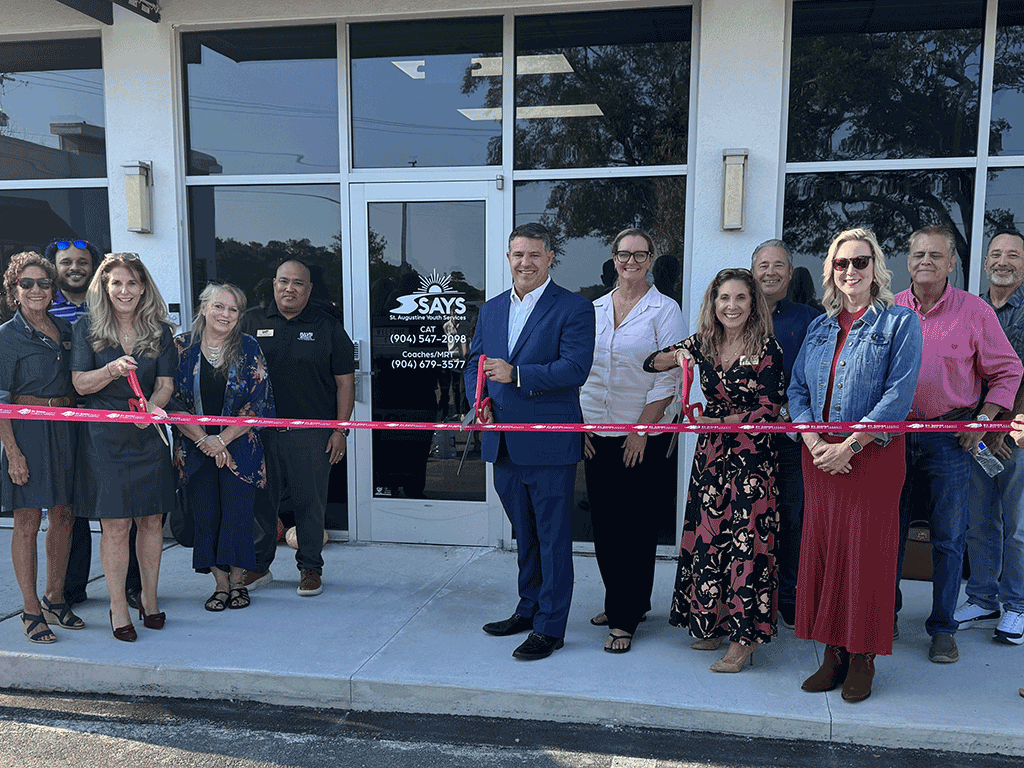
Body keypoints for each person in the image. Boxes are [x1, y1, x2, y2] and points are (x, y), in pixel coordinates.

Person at [788, 229, 921, 703]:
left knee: (867, 556)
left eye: (860, 263)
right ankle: (832, 654)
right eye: (842, 263)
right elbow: (797, 391)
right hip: (819, 458)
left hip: (873, 459)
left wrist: (850, 444)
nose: (851, 272)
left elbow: (898, 397)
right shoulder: (819, 326)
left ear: (876, 269)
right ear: (830, 270)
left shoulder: (900, 324)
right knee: (825, 552)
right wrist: (811, 438)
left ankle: (863, 657)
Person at [645, 267, 785, 674]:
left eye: (741, 298)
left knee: (746, 546)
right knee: (711, 538)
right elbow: (649, 363)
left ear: (752, 303)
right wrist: (677, 356)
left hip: (751, 458)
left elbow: (769, 408)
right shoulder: (704, 341)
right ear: (714, 302)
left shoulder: (766, 347)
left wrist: (722, 423)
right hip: (711, 455)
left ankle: (744, 640)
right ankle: (714, 622)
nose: (732, 306)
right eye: (725, 298)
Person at [894, 225, 1022, 664]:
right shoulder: (889, 310)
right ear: (907, 261)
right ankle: (885, 616)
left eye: (936, 255)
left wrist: (985, 420)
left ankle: (943, 628)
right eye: (918, 254)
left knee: (950, 537)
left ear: (952, 264)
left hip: (952, 438)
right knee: (888, 531)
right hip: (895, 437)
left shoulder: (974, 311)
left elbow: (1008, 370)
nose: (925, 261)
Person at [467, 223, 596, 661]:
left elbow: (575, 368)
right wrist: (478, 402)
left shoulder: (574, 308)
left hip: (548, 443)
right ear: (509, 258)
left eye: (534, 255)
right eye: (517, 255)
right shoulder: (492, 309)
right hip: (502, 441)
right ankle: (528, 608)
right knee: (525, 534)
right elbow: (476, 364)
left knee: (553, 537)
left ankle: (551, 626)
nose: (525, 263)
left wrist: (518, 375)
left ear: (550, 257)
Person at [579, 228, 684, 654]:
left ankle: (624, 618)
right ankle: (623, 601)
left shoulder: (665, 309)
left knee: (635, 526)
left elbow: (672, 374)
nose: (631, 262)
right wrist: (583, 427)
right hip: (596, 433)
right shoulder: (594, 308)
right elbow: (581, 372)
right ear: (614, 258)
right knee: (604, 525)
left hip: (643, 434)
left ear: (651, 259)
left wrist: (642, 429)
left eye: (640, 255)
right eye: (624, 254)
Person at [71, 253, 176, 642]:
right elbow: (81, 384)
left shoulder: (160, 331)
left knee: (151, 521)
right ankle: (117, 605)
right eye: (116, 283)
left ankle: (148, 598)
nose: (125, 290)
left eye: (132, 283)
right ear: (105, 286)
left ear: (143, 287)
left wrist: (154, 407)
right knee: (116, 525)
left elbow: (165, 383)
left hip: (147, 433)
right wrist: (112, 370)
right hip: (105, 438)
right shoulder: (87, 328)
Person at [241, 259, 355, 597]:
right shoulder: (252, 320)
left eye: (298, 283)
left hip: (312, 435)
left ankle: (310, 568)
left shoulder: (327, 326)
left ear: (308, 289)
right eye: (283, 282)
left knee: (310, 504)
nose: (290, 289)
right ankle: (259, 567)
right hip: (261, 433)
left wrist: (340, 430)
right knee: (261, 502)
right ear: (274, 284)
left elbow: (345, 383)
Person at [171, 283, 274, 612]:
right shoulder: (182, 346)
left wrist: (222, 440)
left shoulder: (248, 347)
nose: (225, 314)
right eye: (219, 307)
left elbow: (259, 403)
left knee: (238, 516)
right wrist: (204, 440)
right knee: (206, 517)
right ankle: (218, 584)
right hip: (194, 447)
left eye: (233, 309)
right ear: (204, 308)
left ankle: (237, 582)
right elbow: (171, 401)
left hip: (239, 448)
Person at [0, 252, 81, 643]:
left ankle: (54, 596)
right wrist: (13, 453)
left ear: (53, 290)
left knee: (64, 514)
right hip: (27, 432)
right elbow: (0, 401)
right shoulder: (6, 336)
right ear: (15, 290)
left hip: (66, 429)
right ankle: (30, 609)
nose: (36, 290)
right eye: (27, 283)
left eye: (43, 283)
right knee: (27, 521)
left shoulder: (65, 330)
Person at [956, 230, 1024, 646]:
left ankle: (1017, 604)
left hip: (1016, 434)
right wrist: (980, 422)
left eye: (1013, 255)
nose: (1003, 261)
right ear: (984, 263)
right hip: (975, 433)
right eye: (995, 254)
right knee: (978, 522)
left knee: (1018, 526)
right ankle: (982, 597)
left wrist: (1006, 421)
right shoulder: (973, 309)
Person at [750, 239, 821, 630]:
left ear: (790, 274)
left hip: (792, 439)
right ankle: (750, 594)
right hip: (745, 440)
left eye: (779, 265)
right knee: (748, 520)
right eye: (763, 265)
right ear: (753, 270)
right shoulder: (736, 312)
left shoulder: (810, 319)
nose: (770, 272)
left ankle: (790, 595)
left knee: (792, 518)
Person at [43, 237, 104, 607]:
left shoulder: (109, 306)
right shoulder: (44, 310)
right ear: (56, 268)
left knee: (117, 504)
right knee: (69, 506)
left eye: (82, 262)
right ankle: (72, 588)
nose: (74, 268)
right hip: (64, 420)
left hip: (107, 419)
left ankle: (131, 584)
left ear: (92, 267)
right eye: (66, 262)